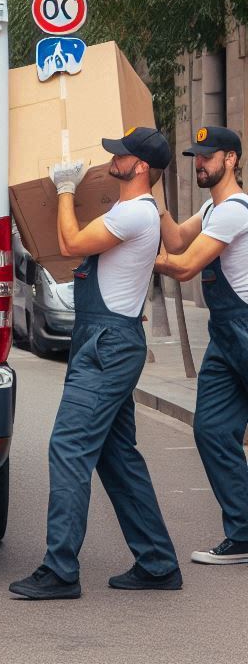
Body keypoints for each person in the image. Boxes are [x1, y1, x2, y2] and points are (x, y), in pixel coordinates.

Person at [10, 127, 182, 599]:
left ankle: (60, 570)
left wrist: (65, 190)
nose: (113, 160)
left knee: (68, 448)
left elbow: (70, 244)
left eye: (121, 155)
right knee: (116, 455)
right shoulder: (131, 211)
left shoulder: (134, 211)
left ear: (140, 167)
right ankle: (158, 563)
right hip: (107, 340)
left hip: (107, 344)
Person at [155, 125, 248, 566]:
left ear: (231, 159)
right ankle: (244, 533)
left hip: (244, 328)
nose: (200, 163)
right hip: (226, 334)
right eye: (197, 156)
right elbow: (176, 239)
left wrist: (131, 255)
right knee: (211, 429)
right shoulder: (211, 210)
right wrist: (153, 192)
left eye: (208, 156)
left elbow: (185, 265)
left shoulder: (235, 211)